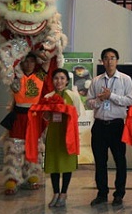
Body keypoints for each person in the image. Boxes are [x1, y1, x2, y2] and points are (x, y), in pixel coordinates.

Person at [86, 48, 132, 207]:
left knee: (120, 160)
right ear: (102, 61)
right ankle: (102, 193)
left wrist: (111, 96)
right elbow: (88, 103)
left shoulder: (125, 79)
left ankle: (119, 193)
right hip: (99, 125)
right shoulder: (96, 81)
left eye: (112, 58)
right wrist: (100, 101)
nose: (109, 61)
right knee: (100, 162)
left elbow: (130, 101)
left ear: (117, 60)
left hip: (117, 125)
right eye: (106, 58)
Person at [1, 53, 46, 195]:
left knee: (33, 146)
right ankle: (12, 178)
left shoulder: (40, 76)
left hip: (34, 117)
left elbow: (48, 61)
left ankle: (31, 175)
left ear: (35, 63)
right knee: (14, 147)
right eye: (25, 61)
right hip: (18, 117)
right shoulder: (15, 76)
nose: (28, 64)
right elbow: (7, 61)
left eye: (32, 61)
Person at [42, 68, 84, 207]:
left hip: (68, 132)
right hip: (53, 132)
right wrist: (49, 111)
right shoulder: (48, 96)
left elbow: (77, 113)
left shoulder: (73, 96)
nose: (59, 81)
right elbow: (45, 116)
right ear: (52, 80)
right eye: (56, 78)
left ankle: (63, 193)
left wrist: (65, 110)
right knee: (53, 163)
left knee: (66, 163)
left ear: (67, 81)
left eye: (62, 78)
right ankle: (55, 193)